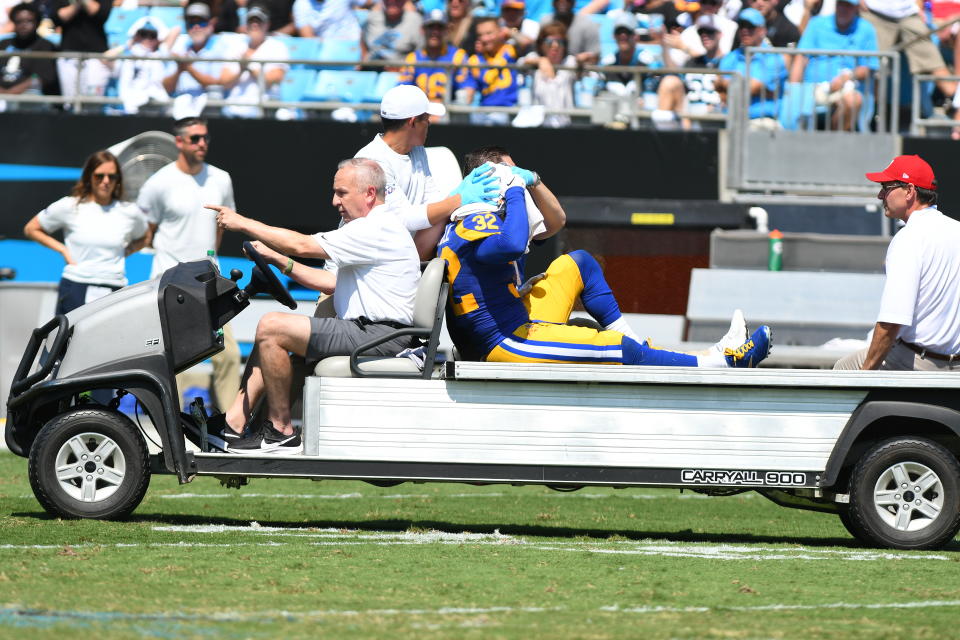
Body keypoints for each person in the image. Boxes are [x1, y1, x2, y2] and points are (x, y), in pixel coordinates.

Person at [437, 165, 770, 367]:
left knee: (578, 262)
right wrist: (512, 191)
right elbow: (510, 242)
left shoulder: (459, 223)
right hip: (506, 339)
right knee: (613, 347)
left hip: (512, 316)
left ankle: (640, 346)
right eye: (509, 174)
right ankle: (720, 362)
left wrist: (531, 181)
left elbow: (554, 221)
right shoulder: (478, 223)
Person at [205, 158, 421, 452]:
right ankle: (233, 423)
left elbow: (302, 245)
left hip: (379, 335)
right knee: (271, 335)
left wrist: (242, 223)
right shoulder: (370, 228)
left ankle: (280, 431)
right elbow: (329, 283)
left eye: (342, 193)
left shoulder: (376, 228)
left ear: (369, 193)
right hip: (367, 331)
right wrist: (280, 261)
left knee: (272, 326)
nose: (335, 201)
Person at [137, 117, 241, 411]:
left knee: (229, 356)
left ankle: (231, 427)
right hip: (170, 285)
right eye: (195, 138)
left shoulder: (221, 178)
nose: (202, 143)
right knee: (175, 359)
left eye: (205, 138)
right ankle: (177, 433)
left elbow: (222, 225)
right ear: (179, 142)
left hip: (210, 283)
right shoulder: (158, 183)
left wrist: (206, 263)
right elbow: (147, 232)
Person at [834, 155, 960, 372]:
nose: (879, 195)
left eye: (886, 187)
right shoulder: (956, 229)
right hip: (954, 363)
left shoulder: (908, 238)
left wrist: (864, 375)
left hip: (917, 361)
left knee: (843, 370)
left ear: (910, 191)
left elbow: (892, 321)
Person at [354, 84, 499, 258]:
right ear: (413, 122)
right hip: (365, 263)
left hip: (392, 258)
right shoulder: (372, 161)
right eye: (426, 119)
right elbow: (402, 219)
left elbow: (432, 200)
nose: (429, 123)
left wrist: (458, 196)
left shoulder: (416, 150)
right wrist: (460, 198)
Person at [23, 150, 147, 315]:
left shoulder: (130, 211)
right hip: (76, 285)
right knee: (71, 340)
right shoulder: (69, 206)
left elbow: (145, 237)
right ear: (89, 177)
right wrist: (63, 250)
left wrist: (127, 251)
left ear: (118, 180)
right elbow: (31, 229)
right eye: (99, 176)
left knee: (113, 340)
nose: (106, 181)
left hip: (114, 287)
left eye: (112, 176)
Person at [788, 0, 878, 131]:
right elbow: (801, 58)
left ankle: (832, 139)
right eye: (841, 4)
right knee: (793, 107)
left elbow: (869, 67)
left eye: (848, 5)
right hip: (814, 89)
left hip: (847, 88)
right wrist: (792, 88)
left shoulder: (867, 29)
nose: (843, 8)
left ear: (856, 8)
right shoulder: (816, 24)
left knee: (853, 101)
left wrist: (847, 77)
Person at [861, 0, 956, 103]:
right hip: (875, 12)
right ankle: (874, 114)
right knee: (874, 69)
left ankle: (956, 99)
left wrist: (919, 6)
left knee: (933, 61)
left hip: (909, 13)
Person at [716, 8, 786, 125]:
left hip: (762, 120)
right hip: (731, 119)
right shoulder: (731, 57)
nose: (744, 30)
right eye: (741, 26)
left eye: (750, 26)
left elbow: (751, 88)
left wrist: (727, 84)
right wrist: (732, 86)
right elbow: (719, 90)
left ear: (762, 30)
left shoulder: (773, 58)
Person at [219, 4, 289, 119]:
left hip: (263, 111)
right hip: (233, 110)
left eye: (259, 21)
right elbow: (224, 82)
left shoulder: (278, 47)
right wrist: (241, 69)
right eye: (251, 21)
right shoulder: (235, 45)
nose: (254, 25)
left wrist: (250, 66)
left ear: (267, 24)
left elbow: (274, 79)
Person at [658, 13, 725, 127]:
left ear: (719, 34)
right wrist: (664, 46)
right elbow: (673, 73)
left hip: (716, 119)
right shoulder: (693, 62)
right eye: (701, 32)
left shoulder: (728, 62)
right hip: (689, 117)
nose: (705, 36)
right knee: (669, 81)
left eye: (709, 32)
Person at [399, 9, 468, 111]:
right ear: (422, 30)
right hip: (419, 112)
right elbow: (403, 91)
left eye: (440, 27)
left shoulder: (458, 56)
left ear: (447, 30)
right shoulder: (412, 58)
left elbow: (466, 90)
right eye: (430, 27)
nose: (435, 32)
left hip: (447, 112)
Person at [162, 3, 226, 106]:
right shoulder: (179, 46)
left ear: (210, 24)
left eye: (201, 22)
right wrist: (179, 70)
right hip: (180, 105)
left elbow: (216, 84)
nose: (196, 27)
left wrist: (188, 68)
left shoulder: (220, 47)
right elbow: (166, 88)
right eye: (191, 23)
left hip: (209, 107)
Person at [462, 16, 520, 126]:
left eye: (489, 33)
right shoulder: (474, 61)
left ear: (500, 32)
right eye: (480, 35)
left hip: (510, 111)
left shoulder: (510, 50)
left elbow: (527, 42)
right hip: (484, 111)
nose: (484, 39)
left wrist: (510, 32)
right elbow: (469, 90)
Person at [0, 3, 60, 109]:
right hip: (2, 94)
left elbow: (42, 78)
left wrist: (11, 93)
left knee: (29, 100)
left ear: (37, 23)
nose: (24, 25)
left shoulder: (45, 46)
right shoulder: (3, 44)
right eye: (19, 21)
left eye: (29, 21)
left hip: (29, 96)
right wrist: (3, 93)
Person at [52, 0, 111, 102]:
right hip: (69, 55)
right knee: (70, 101)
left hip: (96, 56)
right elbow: (58, 18)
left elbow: (101, 14)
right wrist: (77, 5)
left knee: (93, 101)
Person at [522, 21, 577, 128]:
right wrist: (541, 61)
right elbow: (522, 62)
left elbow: (581, 67)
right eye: (549, 41)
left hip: (565, 124)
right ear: (541, 44)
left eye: (560, 42)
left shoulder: (570, 62)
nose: (555, 46)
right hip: (538, 125)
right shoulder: (534, 58)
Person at [539, 0, 600, 64]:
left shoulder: (587, 24)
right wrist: (540, 61)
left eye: (567, 0)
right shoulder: (545, 22)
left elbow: (595, 56)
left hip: (578, 69)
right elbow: (536, 53)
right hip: (548, 66)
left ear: (574, 2)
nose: (562, 2)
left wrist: (584, 58)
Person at [292, 0, 361, 40]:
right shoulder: (301, 4)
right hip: (324, 52)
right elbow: (308, 38)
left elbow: (368, 3)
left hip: (353, 46)